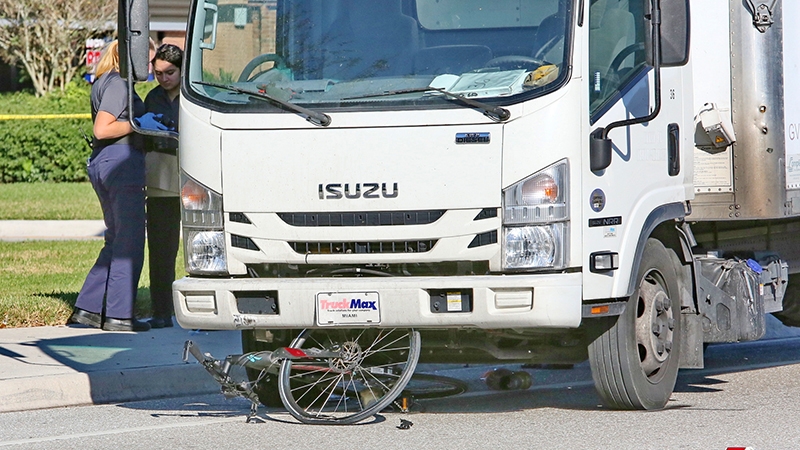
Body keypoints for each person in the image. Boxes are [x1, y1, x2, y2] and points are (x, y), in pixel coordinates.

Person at [69, 40, 151, 332]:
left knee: (115, 238)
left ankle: (87, 309)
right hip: (121, 163)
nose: (149, 66)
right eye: (147, 58)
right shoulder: (118, 84)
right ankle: (119, 315)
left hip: (104, 163)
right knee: (129, 242)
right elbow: (102, 128)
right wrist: (141, 124)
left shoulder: (104, 81)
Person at [143, 44, 183, 328]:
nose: (164, 78)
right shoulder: (152, 97)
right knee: (160, 247)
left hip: (193, 174)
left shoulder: (195, 95)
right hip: (160, 176)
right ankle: (161, 311)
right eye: (158, 73)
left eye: (170, 72)